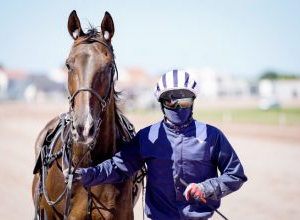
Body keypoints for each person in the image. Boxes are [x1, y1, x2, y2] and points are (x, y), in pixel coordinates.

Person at [74, 69, 247, 220]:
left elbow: (235, 175)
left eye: (184, 100)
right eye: (170, 100)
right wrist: (88, 175)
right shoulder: (147, 137)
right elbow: (119, 166)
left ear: (193, 101)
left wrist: (206, 188)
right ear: (162, 104)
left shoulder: (212, 136)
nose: (178, 106)